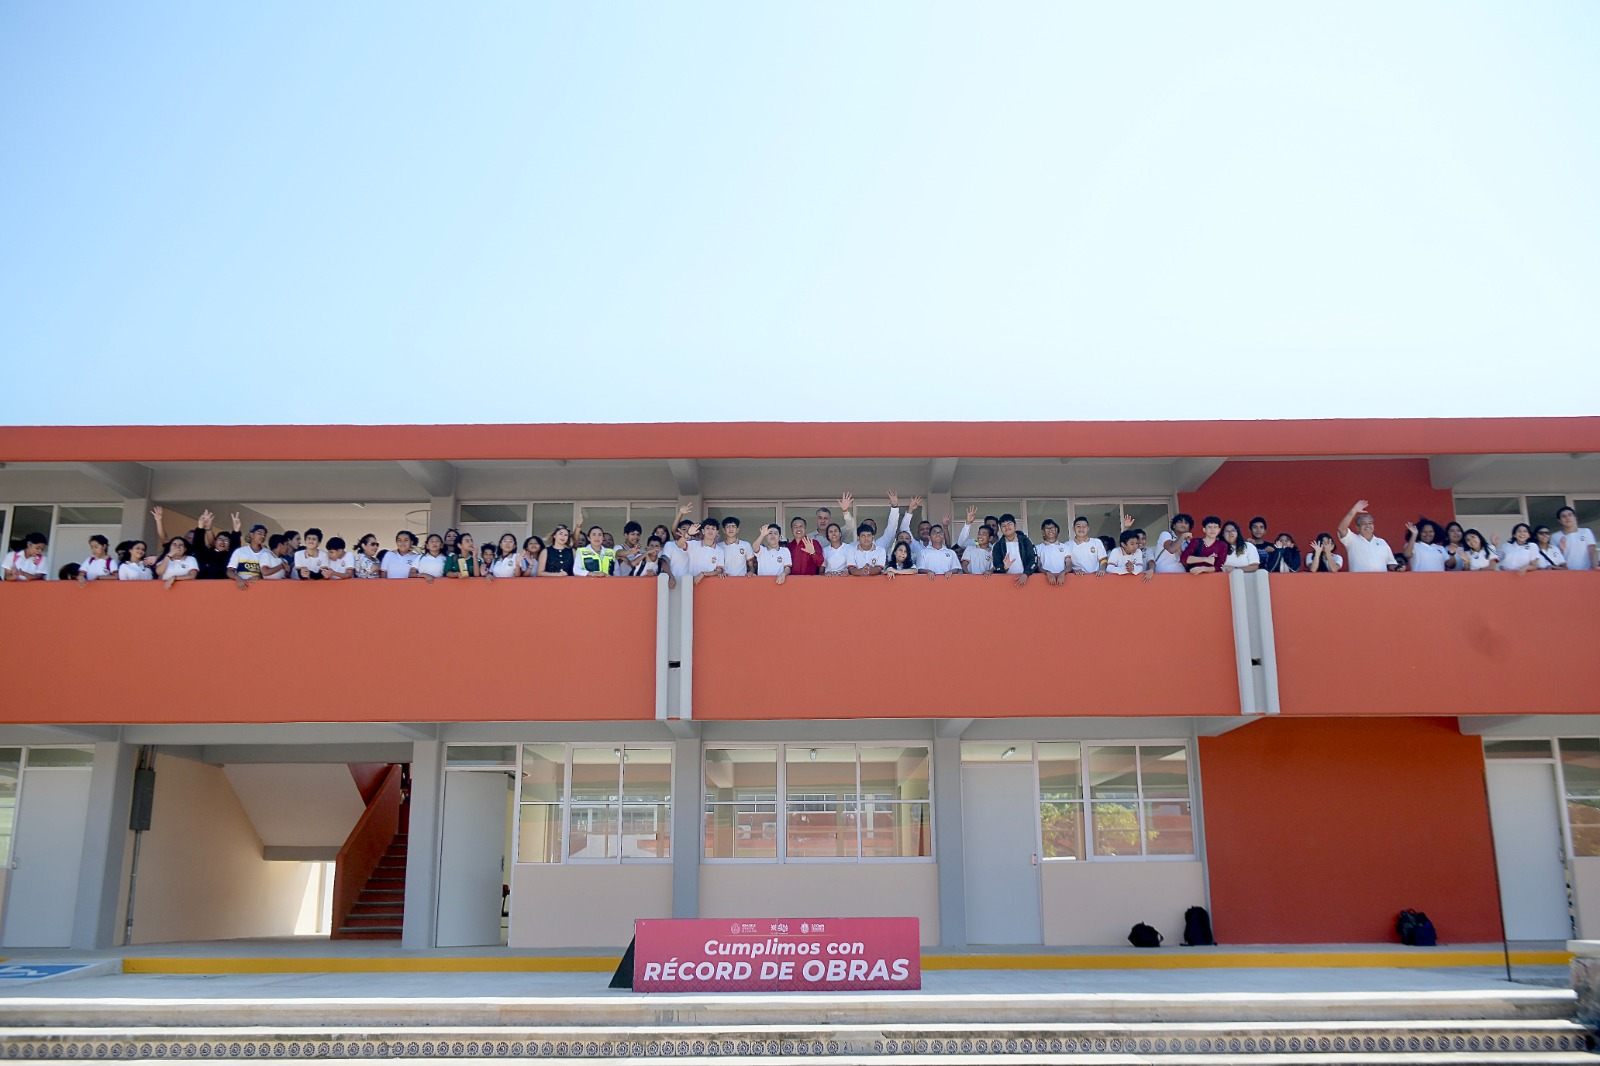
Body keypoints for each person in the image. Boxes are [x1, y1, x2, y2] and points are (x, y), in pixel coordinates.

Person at [1336, 500, 1399, 573]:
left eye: (1370, 523)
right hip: (1359, 581)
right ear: (1358, 528)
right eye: (1364, 523)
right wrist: (1354, 510)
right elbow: (1341, 528)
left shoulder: (1382, 542)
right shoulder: (1352, 540)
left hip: (1380, 582)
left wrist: (1398, 568)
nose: (1368, 526)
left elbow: (1390, 563)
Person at [989, 513, 1036, 586]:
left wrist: (1026, 574)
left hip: (1026, 580)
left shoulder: (1025, 541)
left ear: (1015, 525)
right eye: (1003, 525)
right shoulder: (997, 545)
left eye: (1009, 524)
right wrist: (1004, 568)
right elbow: (996, 566)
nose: (1007, 527)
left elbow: (1033, 560)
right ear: (1000, 529)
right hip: (1005, 583)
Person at [1552, 506, 1598, 571]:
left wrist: (1595, 566)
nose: (1567, 518)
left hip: (1587, 571)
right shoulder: (1555, 536)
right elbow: (1555, 556)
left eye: (1570, 515)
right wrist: (1561, 550)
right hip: (1566, 573)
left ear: (1575, 517)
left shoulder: (1586, 531)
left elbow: (1592, 551)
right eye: (1563, 516)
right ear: (1559, 520)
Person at [1034, 519, 1070, 586]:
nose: (1050, 530)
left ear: (1057, 530)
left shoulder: (1065, 547)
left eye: (1052, 528)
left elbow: (1069, 565)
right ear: (1043, 532)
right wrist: (1047, 573)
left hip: (1062, 582)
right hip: (1044, 581)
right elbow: (1037, 566)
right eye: (1047, 528)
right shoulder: (1037, 548)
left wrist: (1063, 573)